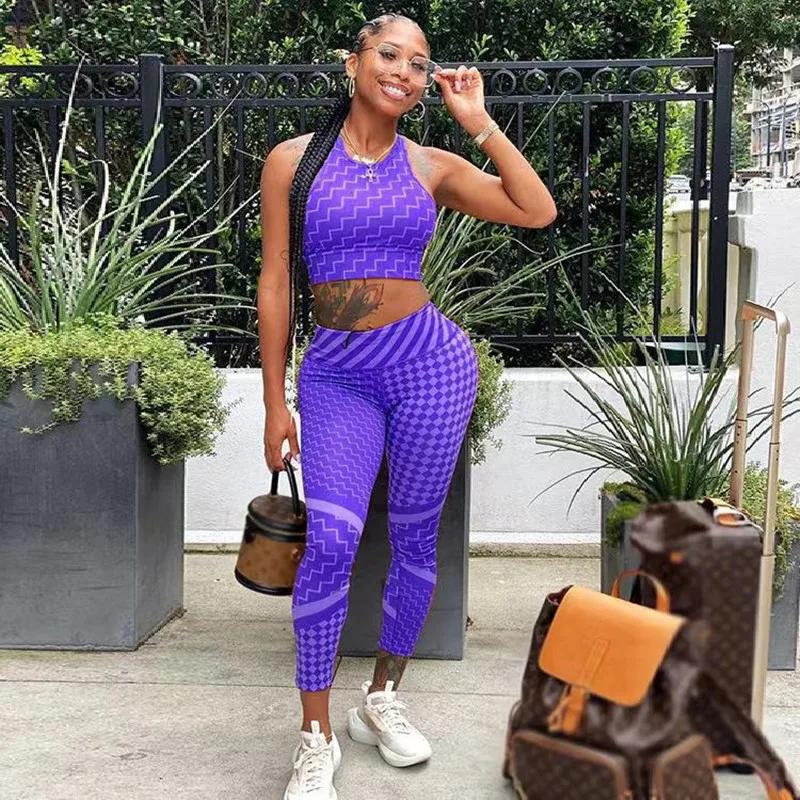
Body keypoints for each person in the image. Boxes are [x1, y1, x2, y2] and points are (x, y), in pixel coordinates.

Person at [258, 11, 557, 799]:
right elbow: (277, 283)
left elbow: (536, 210)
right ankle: (315, 734)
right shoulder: (293, 161)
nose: (404, 71)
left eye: (420, 64)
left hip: (430, 367)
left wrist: (478, 121)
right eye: (389, 54)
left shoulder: (428, 163)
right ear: (354, 62)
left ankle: (382, 697)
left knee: (417, 540)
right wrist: (274, 403)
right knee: (331, 540)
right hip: (337, 376)